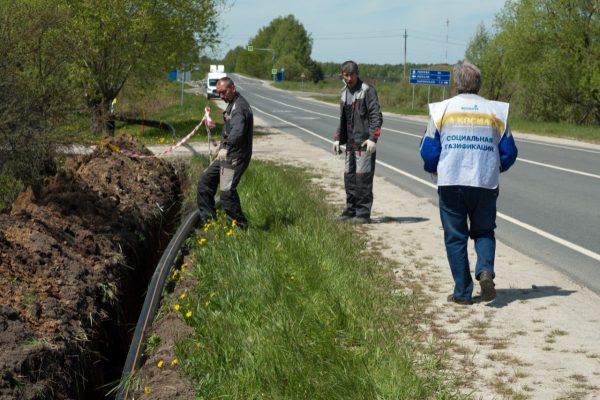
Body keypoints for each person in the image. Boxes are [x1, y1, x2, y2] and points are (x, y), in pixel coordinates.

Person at [419, 60, 518, 305]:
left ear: (456, 84)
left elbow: (429, 150)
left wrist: (433, 169)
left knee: (455, 236)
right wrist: (497, 166)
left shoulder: (441, 110)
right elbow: (509, 151)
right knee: (484, 230)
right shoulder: (495, 111)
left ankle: (463, 293)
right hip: (484, 181)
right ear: (479, 84)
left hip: (451, 180)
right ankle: (485, 271)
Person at [197, 77, 253, 229]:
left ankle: (240, 227)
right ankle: (208, 221)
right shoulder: (232, 105)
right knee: (205, 181)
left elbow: (238, 131)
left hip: (234, 157)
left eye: (224, 92)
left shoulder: (239, 108)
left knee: (226, 192)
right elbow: (230, 130)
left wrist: (226, 147)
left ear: (233, 88)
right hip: (226, 155)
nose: (221, 96)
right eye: (219, 94)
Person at [332, 60, 383, 224]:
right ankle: (351, 210)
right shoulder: (344, 93)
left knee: (363, 179)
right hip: (349, 145)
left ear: (356, 74)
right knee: (349, 178)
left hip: (363, 144)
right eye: (345, 75)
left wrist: (373, 139)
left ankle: (363, 213)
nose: (348, 78)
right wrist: (337, 138)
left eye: (350, 75)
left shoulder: (367, 91)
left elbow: (376, 116)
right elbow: (343, 118)